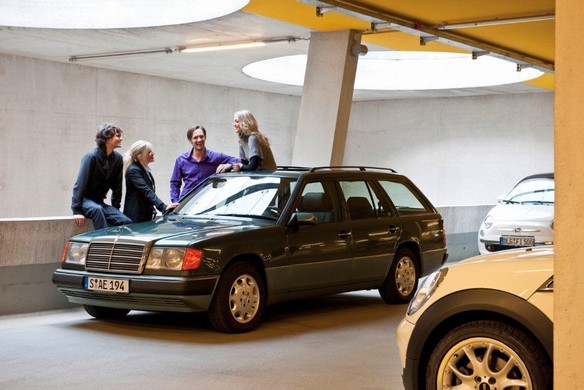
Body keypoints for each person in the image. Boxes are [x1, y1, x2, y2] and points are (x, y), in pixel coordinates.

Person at [71, 123, 133, 230]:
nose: (121, 138)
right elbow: (80, 184)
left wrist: (116, 209)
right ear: (107, 138)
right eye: (118, 136)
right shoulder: (91, 157)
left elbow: (117, 187)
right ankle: (103, 244)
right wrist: (76, 211)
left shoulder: (118, 159)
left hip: (99, 202)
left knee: (126, 221)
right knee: (97, 210)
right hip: (85, 201)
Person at [170, 125, 240, 203]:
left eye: (201, 136)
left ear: (205, 137)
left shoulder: (216, 157)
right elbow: (175, 184)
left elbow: (240, 161)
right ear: (190, 140)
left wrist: (229, 165)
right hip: (186, 204)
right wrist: (175, 202)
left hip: (207, 203)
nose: (199, 140)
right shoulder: (181, 160)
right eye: (195, 137)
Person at [123, 140, 178, 223]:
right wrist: (162, 206)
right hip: (136, 217)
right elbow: (146, 190)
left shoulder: (144, 170)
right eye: (149, 152)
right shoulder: (133, 170)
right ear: (140, 156)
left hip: (145, 215)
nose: (153, 153)